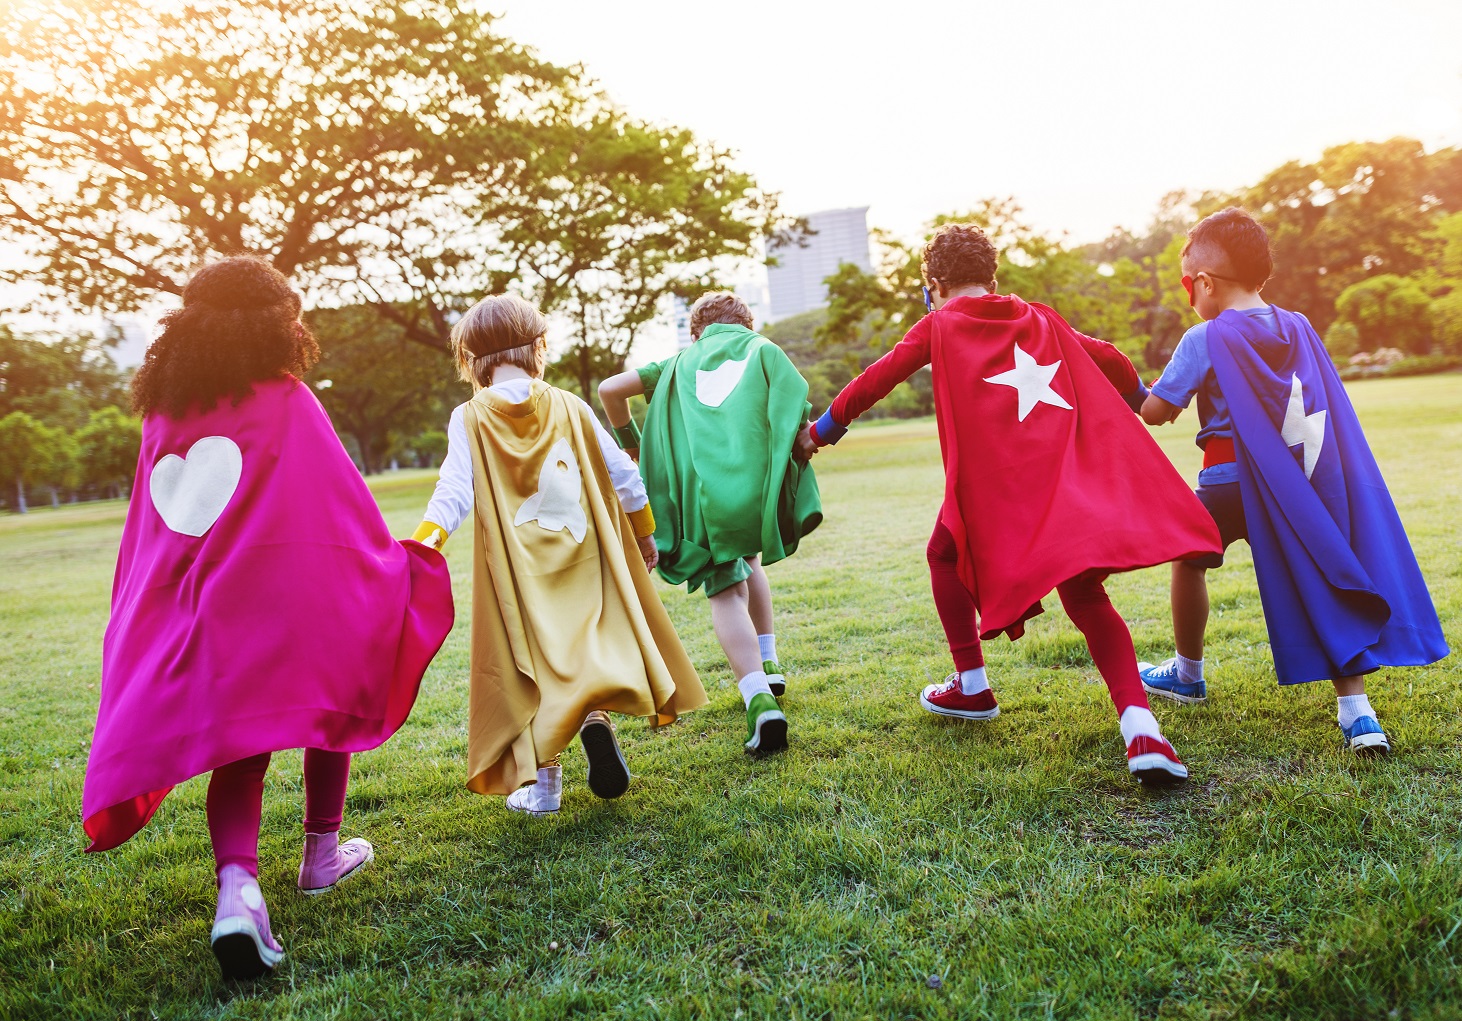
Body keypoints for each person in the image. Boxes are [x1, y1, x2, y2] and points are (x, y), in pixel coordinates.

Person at [82, 256, 455, 980]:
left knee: (242, 749)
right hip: (283, 600)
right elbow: (338, 504)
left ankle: (238, 889)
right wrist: (391, 563)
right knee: (333, 687)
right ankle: (321, 854)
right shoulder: (286, 397)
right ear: (271, 326)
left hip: (205, 610)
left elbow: (151, 533)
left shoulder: (165, 412)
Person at [797, 223, 1221, 785]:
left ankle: (972, 687)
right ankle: (1142, 730)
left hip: (998, 492)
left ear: (936, 284)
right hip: (1062, 485)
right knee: (1086, 595)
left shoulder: (938, 324)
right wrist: (1141, 398)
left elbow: (876, 380)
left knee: (942, 555)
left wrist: (819, 433)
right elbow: (1110, 357)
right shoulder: (1040, 316)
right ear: (992, 277)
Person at [1138, 208, 1448, 752]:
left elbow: (1157, 411)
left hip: (1228, 481)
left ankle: (1188, 674)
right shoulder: (1300, 326)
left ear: (1205, 283)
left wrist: (1118, 378)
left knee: (1189, 557)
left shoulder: (1205, 337)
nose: (1190, 295)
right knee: (1322, 576)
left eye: (1188, 285)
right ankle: (1357, 711)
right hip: (1299, 488)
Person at [415, 293, 706, 815]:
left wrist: (424, 543)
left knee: (534, 665)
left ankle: (545, 786)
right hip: (583, 552)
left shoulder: (469, 417)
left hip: (518, 569)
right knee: (584, 644)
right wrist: (643, 534)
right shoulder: (569, 404)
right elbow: (624, 474)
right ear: (538, 347)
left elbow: (453, 492)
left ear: (471, 360)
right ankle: (595, 721)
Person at [598, 291, 821, 756]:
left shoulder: (677, 362)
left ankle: (759, 701)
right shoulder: (762, 348)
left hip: (702, 495)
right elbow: (795, 399)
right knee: (751, 561)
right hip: (752, 487)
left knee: (725, 592)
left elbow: (609, 390)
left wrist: (633, 443)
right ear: (747, 322)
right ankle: (769, 660)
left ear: (695, 331)